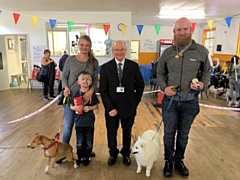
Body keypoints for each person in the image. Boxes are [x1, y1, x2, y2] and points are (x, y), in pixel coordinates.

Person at [157, 17, 210, 177]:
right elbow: (159, 73)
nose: (182, 32)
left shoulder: (202, 51)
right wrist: (164, 88)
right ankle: (168, 161)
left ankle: (179, 160)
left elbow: (207, 73)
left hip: (190, 102)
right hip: (170, 102)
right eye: (178, 30)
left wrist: (202, 85)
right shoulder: (167, 53)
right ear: (174, 32)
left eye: (184, 29)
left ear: (190, 30)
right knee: (168, 134)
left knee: (184, 134)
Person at [100, 41, 144, 166]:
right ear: (112, 51)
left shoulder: (133, 66)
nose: (119, 52)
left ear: (126, 51)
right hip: (111, 108)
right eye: (117, 50)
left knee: (127, 131)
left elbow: (140, 85)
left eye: (122, 49)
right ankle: (112, 153)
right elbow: (103, 90)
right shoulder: (105, 68)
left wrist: (135, 102)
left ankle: (126, 153)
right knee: (111, 132)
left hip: (128, 106)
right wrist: (109, 108)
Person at [57, 35, 99, 163]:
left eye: (87, 45)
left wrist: (92, 91)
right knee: (69, 126)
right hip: (71, 98)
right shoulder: (70, 60)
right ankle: (63, 152)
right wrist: (65, 87)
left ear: (90, 46)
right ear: (78, 45)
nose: (84, 47)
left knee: (86, 126)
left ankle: (86, 150)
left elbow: (96, 80)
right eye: (82, 45)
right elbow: (64, 76)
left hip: (87, 98)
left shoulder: (93, 62)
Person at [70, 71, 99, 166]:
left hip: (89, 122)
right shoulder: (75, 94)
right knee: (79, 142)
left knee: (89, 142)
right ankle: (80, 156)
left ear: (91, 82)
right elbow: (71, 105)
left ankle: (87, 156)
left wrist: (89, 108)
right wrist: (74, 108)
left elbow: (96, 106)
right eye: (83, 79)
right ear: (78, 82)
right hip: (78, 123)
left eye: (88, 79)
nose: (85, 81)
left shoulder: (92, 94)